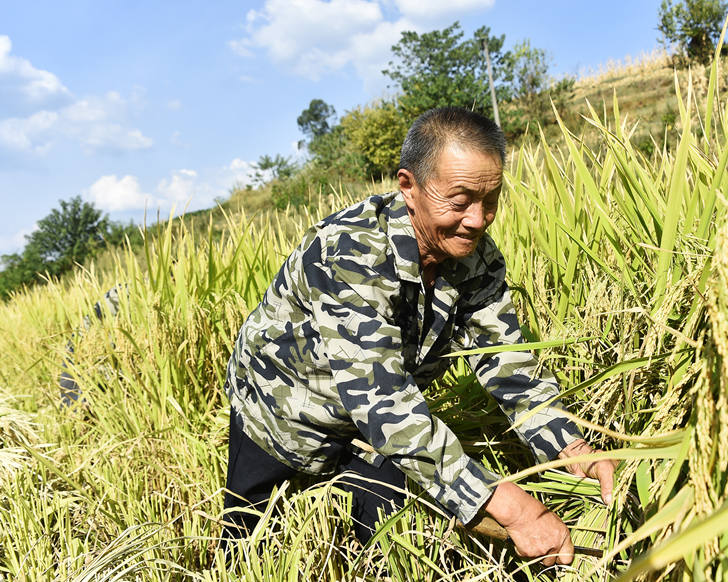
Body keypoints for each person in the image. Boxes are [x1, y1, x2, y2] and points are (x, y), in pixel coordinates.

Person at [221, 106, 615, 567]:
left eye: (491, 200)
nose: (478, 219)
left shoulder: (474, 259)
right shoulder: (351, 254)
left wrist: (570, 447)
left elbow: (509, 368)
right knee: (249, 550)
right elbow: (382, 403)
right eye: (461, 200)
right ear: (409, 186)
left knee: (391, 545)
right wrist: (513, 508)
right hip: (283, 415)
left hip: (371, 435)